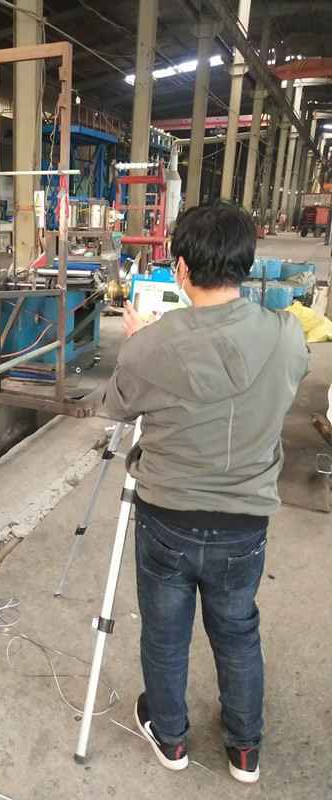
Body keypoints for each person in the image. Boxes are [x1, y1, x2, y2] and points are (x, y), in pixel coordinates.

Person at [104, 203, 308, 784]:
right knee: (238, 631)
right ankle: (245, 749)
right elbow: (289, 384)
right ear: (246, 263)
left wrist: (137, 344)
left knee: (165, 633)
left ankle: (170, 738)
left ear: (182, 268)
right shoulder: (286, 336)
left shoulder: (152, 344)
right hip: (245, 522)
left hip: (167, 517)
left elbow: (117, 407)